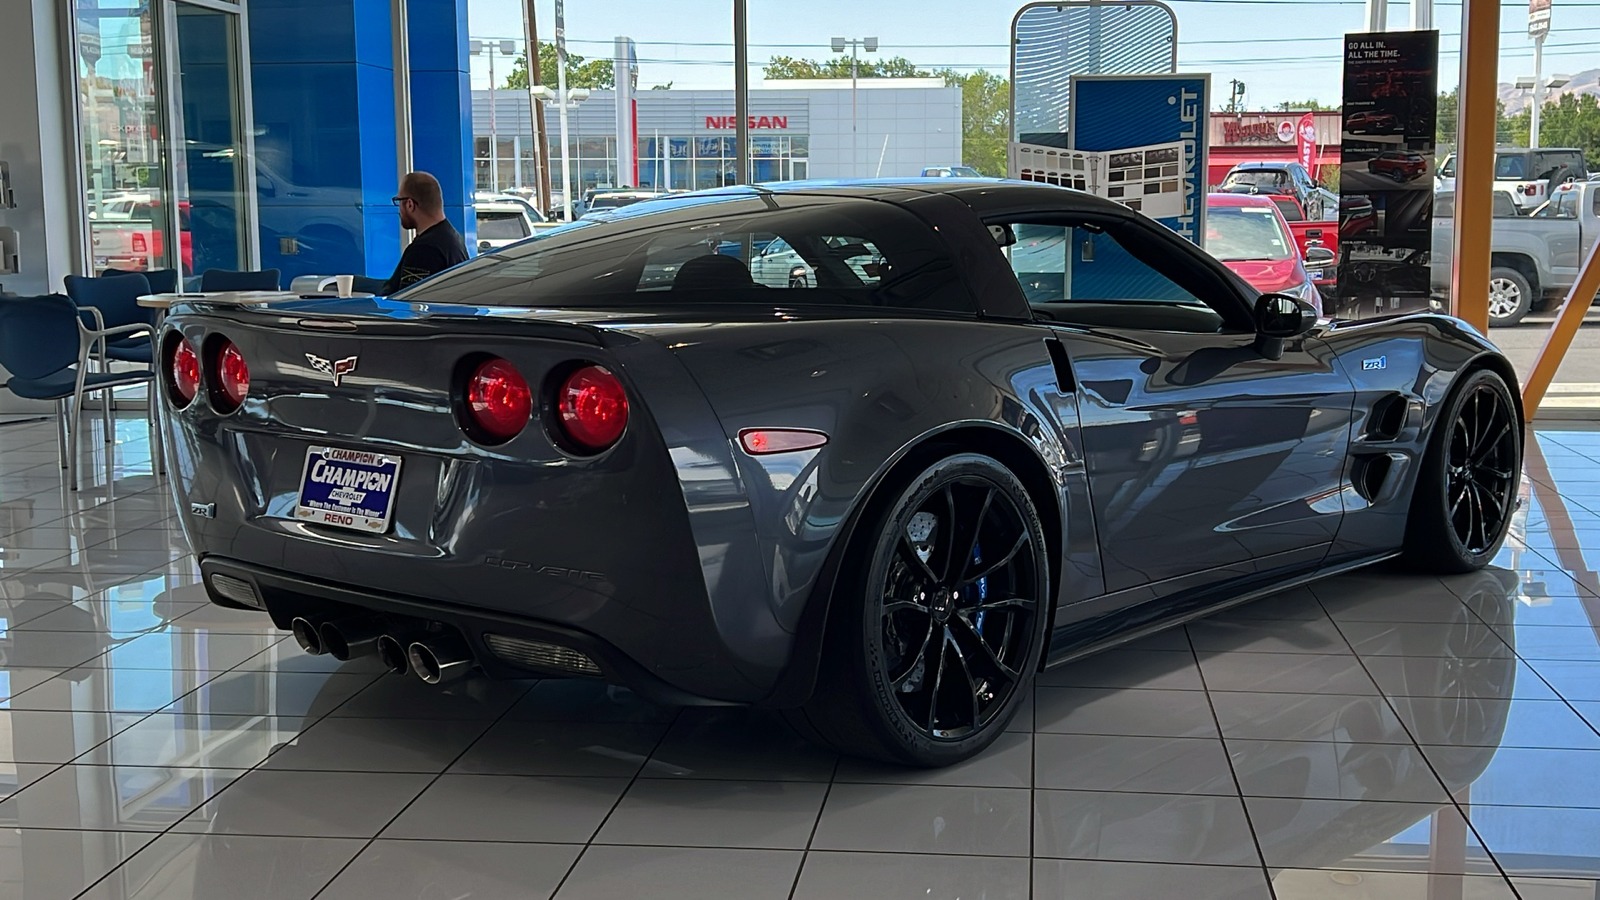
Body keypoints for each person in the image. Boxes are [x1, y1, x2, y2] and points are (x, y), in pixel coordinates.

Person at [380, 172, 469, 294]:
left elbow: (407, 302)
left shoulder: (424, 250)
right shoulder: (451, 238)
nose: (399, 209)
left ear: (410, 204)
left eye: (399, 201)